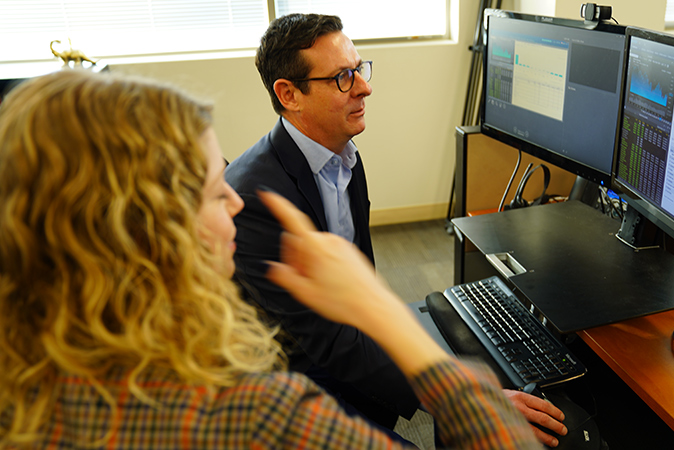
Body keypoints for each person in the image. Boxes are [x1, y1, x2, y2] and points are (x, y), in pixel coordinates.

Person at [0, 68, 545, 448]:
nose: (234, 200)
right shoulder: (246, 414)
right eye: (214, 192)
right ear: (149, 234)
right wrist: (384, 313)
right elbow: (501, 441)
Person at [225, 12, 568, 447]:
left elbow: (361, 287)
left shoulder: (345, 157)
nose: (364, 87)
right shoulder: (256, 200)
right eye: (343, 78)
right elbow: (326, 339)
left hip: (341, 340)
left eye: (359, 69)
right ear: (289, 94)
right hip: (286, 379)